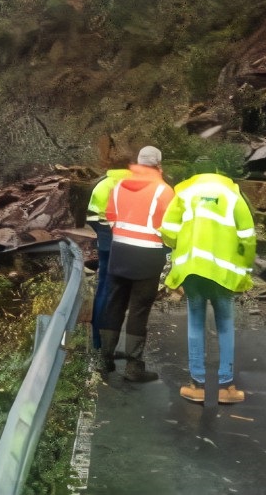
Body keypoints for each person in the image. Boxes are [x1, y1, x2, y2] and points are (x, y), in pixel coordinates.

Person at [160, 172, 256, 404]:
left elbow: (167, 230)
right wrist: (244, 268)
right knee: (225, 325)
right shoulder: (234, 196)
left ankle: (197, 385)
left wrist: (181, 244)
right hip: (223, 274)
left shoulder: (184, 194)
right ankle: (226, 387)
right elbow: (248, 237)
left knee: (195, 323)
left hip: (193, 272)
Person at [96, 146, 173, 383]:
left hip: (120, 252)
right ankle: (133, 366)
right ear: (159, 165)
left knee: (114, 303)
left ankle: (104, 359)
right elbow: (170, 227)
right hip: (148, 256)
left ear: (138, 164)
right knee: (139, 310)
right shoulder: (164, 190)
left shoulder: (119, 186)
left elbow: (109, 216)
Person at [86, 165, 131, 354]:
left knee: (103, 289)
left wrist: (103, 235)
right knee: (120, 295)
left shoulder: (101, 185)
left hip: (105, 242)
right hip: (125, 242)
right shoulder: (132, 185)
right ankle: (109, 348)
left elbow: (91, 218)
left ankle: (98, 341)